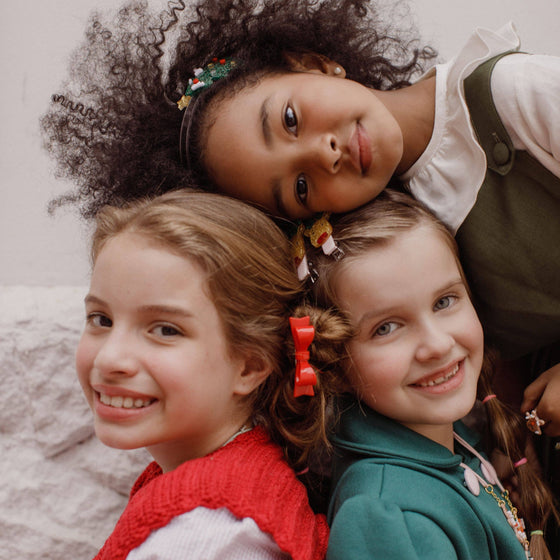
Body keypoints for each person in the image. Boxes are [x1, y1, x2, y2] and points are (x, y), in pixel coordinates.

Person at [41, 0, 559, 438]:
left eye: (289, 120)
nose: (325, 153)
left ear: (313, 62)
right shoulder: (397, 226)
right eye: (301, 187)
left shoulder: (512, 94)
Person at [76, 190, 350, 559]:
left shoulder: (205, 538)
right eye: (101, 319)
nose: (110, 359)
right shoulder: (240, 475)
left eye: (165, 330)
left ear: (250, 366)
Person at [306, 189, 559, 560]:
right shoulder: (389, 519)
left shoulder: (447, 437)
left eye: (444, 301)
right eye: (387, 328)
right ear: (332, 365)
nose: (437, 345)